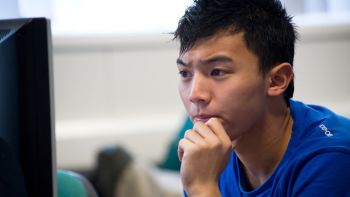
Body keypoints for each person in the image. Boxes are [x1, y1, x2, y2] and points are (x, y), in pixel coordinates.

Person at [173, 0, 350, 196]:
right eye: (185, 73)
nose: (195, 95)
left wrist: (202, 188)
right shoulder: (208, 154)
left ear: (276, 80)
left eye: (217, 72)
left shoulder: (332, 158)